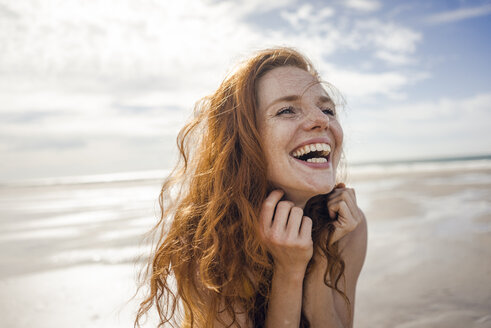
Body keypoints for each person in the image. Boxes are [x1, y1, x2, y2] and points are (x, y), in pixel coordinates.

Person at [135, 47, 367, 328]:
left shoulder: (345, 226)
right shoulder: (210, 240)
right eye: (286, 110)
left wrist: (319, 260)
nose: (321, 120)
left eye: (327, 109)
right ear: (244, 139)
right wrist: (290, 271)